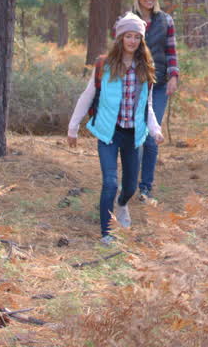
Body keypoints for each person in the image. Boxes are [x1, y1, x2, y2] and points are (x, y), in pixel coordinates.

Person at [68, 13, 164, 244]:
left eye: (136, 37)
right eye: (128, 36)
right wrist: (73, 127)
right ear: (120, 38)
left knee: (130, 187)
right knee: (110, 183)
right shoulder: (105, 65)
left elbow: (148, 105)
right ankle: (107, 233)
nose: (132, 41)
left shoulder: (145, 67)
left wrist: (155, 129)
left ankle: (121, 205)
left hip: (134, 135)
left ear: (141, 41)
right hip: (109, 134)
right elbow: (87, 95)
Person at [129, 0, 180, 202]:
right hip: (133, 86)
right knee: (134, 135)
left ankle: (146, 187)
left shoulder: (165, 20)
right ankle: (130, 182)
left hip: (158, 86)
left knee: (152, 134)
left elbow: (171, 52)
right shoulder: (128, 21)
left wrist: (173, 76)